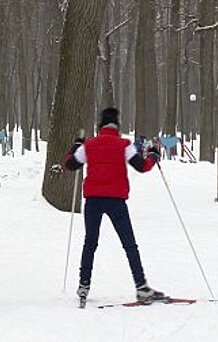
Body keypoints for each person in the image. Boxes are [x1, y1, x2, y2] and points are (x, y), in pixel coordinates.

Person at [64, 107, 165, 303]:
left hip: (93, 200)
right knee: (129, 245)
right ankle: (141, 287)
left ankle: (84, 285)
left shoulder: (90, 145)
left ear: (100, 125)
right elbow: (142, 166)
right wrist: (153, 155)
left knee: (90, 243)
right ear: (117, 126)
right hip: (116, 200)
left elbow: (70, 164)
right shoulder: (123, 144)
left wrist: (76, 146)